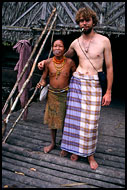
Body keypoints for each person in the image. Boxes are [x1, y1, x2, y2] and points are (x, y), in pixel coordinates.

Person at [38, 7, 113, 170]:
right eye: (81, 21)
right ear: (78, 23)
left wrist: (108, 91)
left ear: (93, 21)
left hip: (94, 84)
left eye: (87, 20)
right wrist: (46, 62)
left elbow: (110, 67)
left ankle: (89, 154)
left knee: (91, 122)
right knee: (74, 120)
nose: (84, 23)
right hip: (77, 83)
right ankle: (75, 150)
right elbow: (62, 56)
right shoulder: (75, 42)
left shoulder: (104, 41)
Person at [37, 38, 76, 153]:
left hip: (65, 95)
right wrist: (41, 84)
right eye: (55, 46)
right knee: (52, 121)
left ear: (64, 49)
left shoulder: (70, 63)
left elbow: (75, 79)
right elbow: (44, 79)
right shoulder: (48, 62)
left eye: (60, 46)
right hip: (52, 94)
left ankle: (64, 144)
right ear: (52, 48)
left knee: (65, 120)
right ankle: (53, 143)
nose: (57, 48)